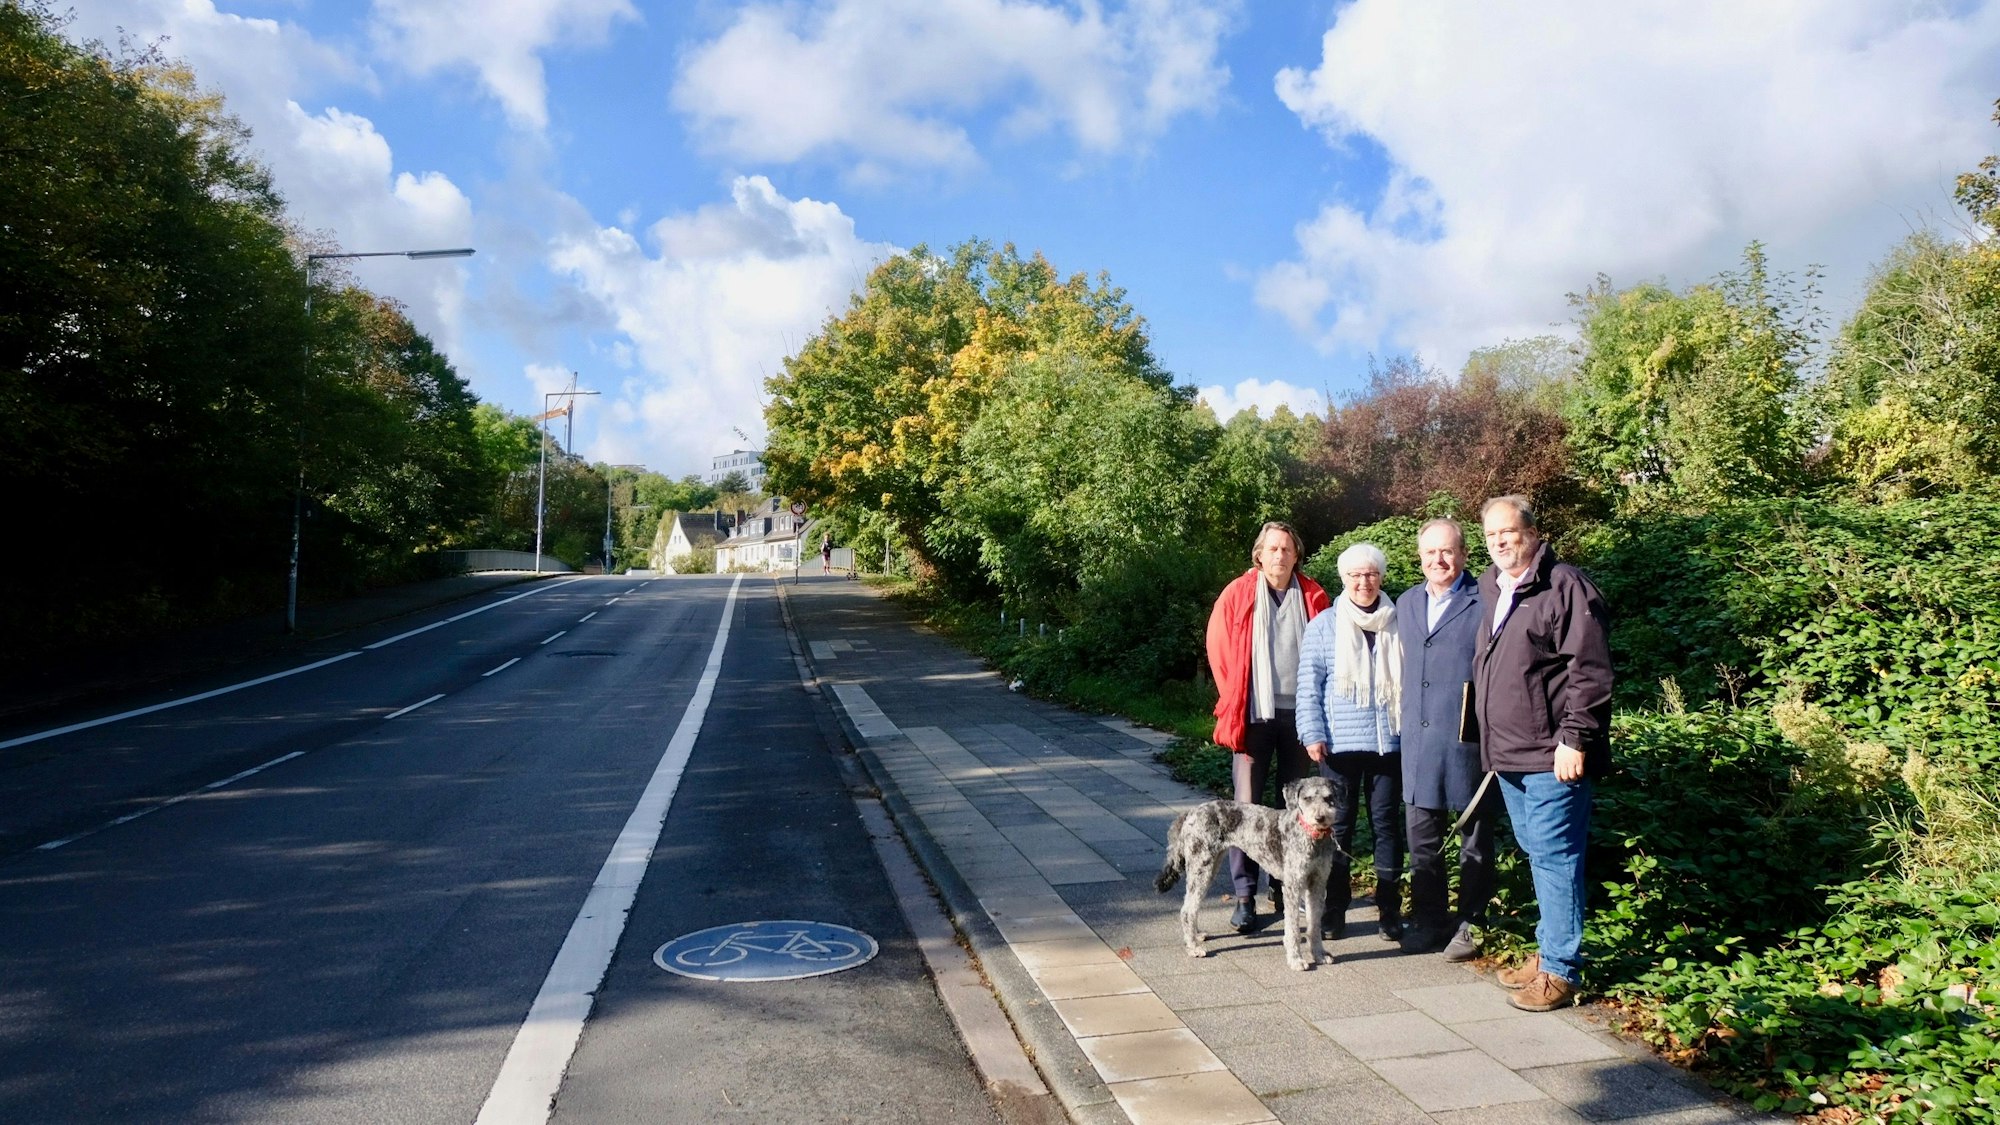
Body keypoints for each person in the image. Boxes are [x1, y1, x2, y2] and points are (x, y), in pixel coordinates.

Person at [1473, 495, 1614, 1012]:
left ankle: (1561, 969)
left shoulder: (1565, 586)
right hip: (1508, 754)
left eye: (1507, 532)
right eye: (1490, 536)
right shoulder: (1492, 585)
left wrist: (1575, 738)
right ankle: (1550, 949)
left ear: (1532, 532)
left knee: (1556, 857)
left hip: (1553, 755)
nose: (1499, 543)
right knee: (1539, 855)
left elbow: (1591, 672)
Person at [1205, 521, 1333, 932]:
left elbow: (1329, 651)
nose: (1280, 556)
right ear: (1259, 554)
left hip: (1300, 716)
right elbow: (1219, 648)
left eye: (1287, 549)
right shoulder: (1238, 593)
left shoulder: (1313, 594)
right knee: (1245, 809)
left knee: (1299, 809)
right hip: (1253, 714)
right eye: (1272, 549)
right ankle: (1245, 896)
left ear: (1297, 555)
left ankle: (1285, 889)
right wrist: (1234, 698)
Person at [1393, 518, 1494, 960]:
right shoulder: (1408, 602)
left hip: (1466, 740)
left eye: (1447, 551)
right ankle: (1428, 920)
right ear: (1420, 558)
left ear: (1465, 555)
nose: (1439, 559)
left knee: (1475, 838)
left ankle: (1472, 922)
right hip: (1417, 741)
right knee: (1422, 841)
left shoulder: (1485, 600)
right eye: (1431, 552)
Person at [1296, 542, 1405, 942]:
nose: (1364, 582)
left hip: (1389, 744)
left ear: (1381, 576)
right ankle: (1334, 911)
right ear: (1344, 580)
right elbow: (1308, 686)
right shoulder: (1324, 624)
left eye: (1371, 574)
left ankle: (1389, 912)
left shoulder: (1399, 621)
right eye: (1356, 575)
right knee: (1337, 828)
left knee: (1387, 826)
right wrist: (1312, 733)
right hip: (1339, 746)